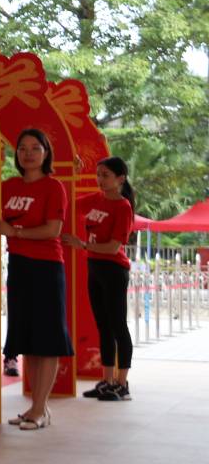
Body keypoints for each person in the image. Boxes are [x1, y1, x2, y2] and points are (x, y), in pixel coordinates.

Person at [0, 128, 71, 430]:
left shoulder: (53, 187)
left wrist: (15, 232)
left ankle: (39, 408)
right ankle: (37, 408)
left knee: (46, 340)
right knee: (29, 341)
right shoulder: (8, 186)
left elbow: (53, 229)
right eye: (22, 148)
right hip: (19, 266)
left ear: (46, 153)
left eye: (35, 148)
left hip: (47, 268)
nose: (28, 154)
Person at [63, 156, 135, 401]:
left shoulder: (123, 207)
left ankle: (122, 384)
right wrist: (71, 174)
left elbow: (114, 247)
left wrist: (82, 244)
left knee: (118, 326)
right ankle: (107, 381)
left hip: (114, 270)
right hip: (95, 267)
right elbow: (67, 204)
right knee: (103, 326)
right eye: (98, 174)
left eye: (106, 175)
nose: (100, 180)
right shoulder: (96, 199)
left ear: (120, 179)